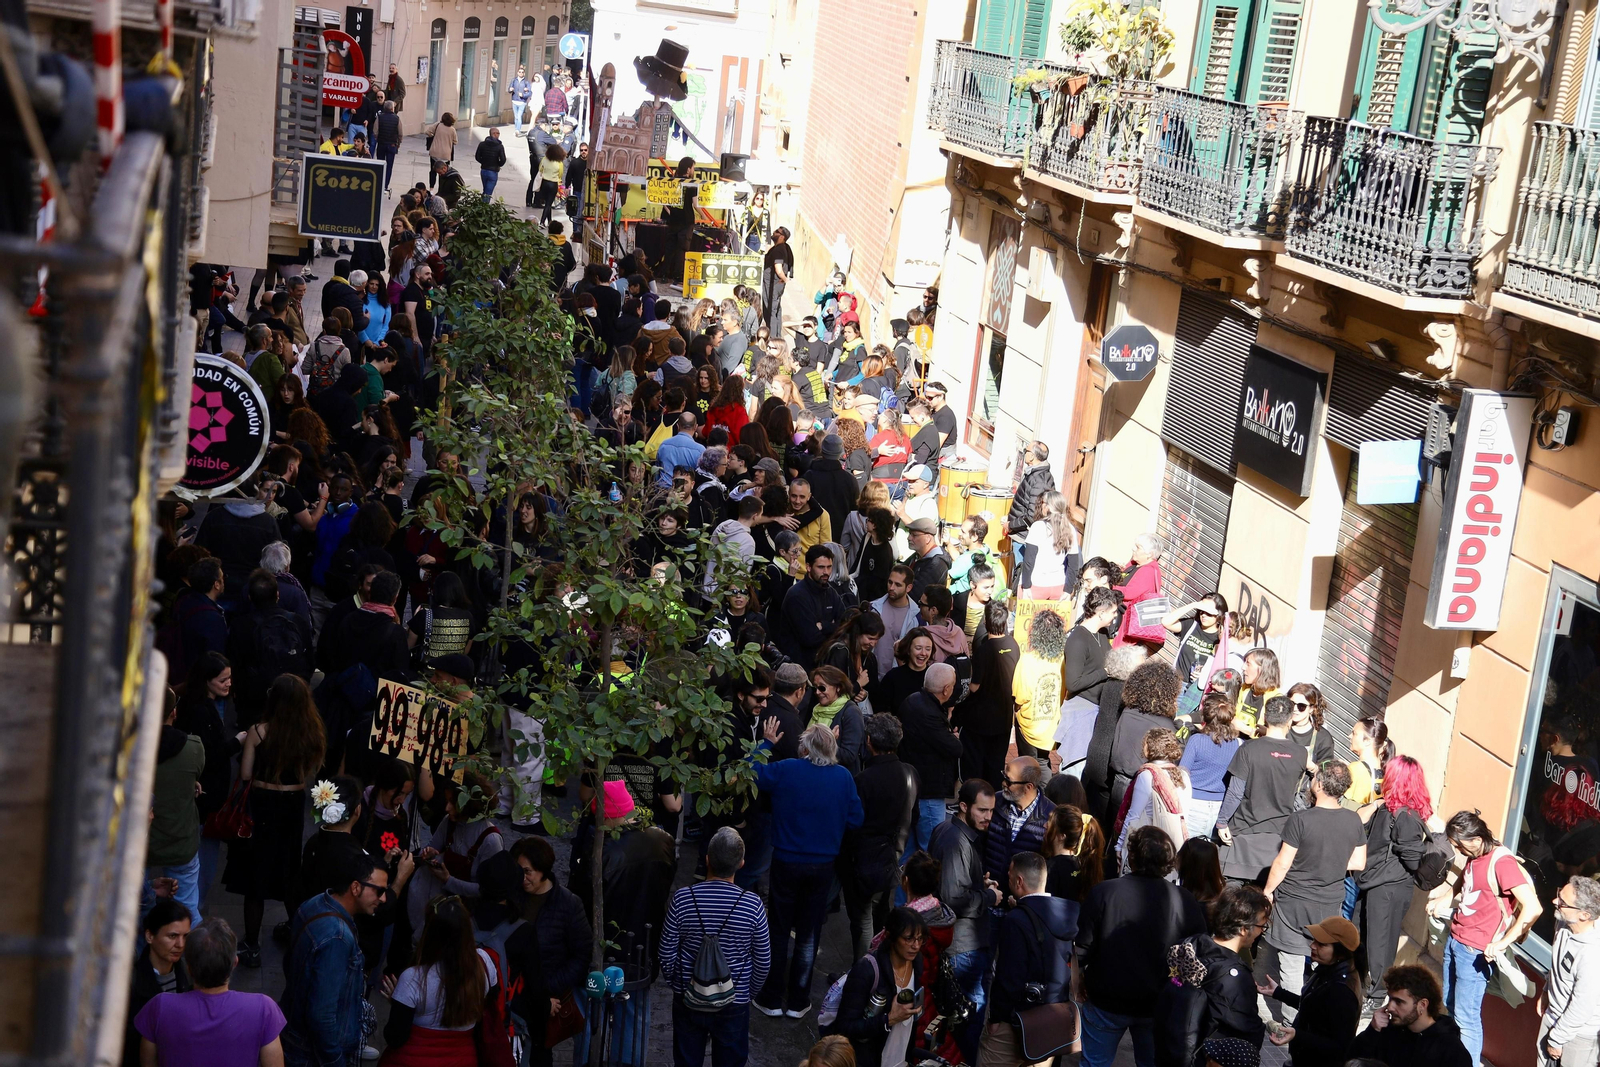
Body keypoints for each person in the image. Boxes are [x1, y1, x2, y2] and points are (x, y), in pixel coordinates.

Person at [752, 721, 864, 1017]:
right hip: (823, 864)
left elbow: (750, 771)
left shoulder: (787, 768)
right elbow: (856, 819)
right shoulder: (843, 777)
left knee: (777, 927)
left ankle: (772, 996)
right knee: (808, 931)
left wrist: (765, 743)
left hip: (787, 860)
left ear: (804, 747)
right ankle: (799, 999)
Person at [1076, 826, 1208, 1067]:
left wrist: (1079, 979)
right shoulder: (1185, 900)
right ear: (1168, 862)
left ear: (1132, 856)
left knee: (1094, 1063)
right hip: (1158, 1004)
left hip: (1106, 1000)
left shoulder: (1104, 892)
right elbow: (1197, 955)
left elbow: (1082, 948)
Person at [224, 675, 325, 968]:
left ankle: (252, 945)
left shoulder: (258, 731)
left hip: (262, 804)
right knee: (289, 869)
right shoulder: (311, 733)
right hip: (292, 805)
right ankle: (299, 933)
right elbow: (309, 772)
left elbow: (244, 775)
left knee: (255, 876)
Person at [1430, 810, 1543, 1067]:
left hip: (1475, 951)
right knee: (1450, 1004)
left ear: (1477, 839)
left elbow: (1533, 907)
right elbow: (1467, 876)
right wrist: (1446, 897)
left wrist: (1503, 942)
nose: (1458, 850)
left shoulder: (1501, 863)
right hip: (1456, 939)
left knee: (1466, 1018)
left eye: (1460, 845)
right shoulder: (1476, 854)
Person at [1256, 763, 1367, 1017]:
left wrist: (1268, 891)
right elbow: (1359, 862)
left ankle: (1291, 1022)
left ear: (1318, 785)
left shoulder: (1300, 819)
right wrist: (1333, 864)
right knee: (1322, 961)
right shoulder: (1353, 820)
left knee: (1292, 965)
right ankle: (1313, 1013)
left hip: (1293, 902)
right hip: (1330, 903)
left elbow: (1283, 861)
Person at [660, 827, 772, 1067]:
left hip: (688, 997)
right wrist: (745, 993)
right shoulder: (753, 906)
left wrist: (678, 984)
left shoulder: (682, 899)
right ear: (741, 864)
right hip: (735, 1001)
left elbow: (666, 953)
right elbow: (763, 962)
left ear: (707, 859)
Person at [280, 850, 389, 1066]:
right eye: (379, 891)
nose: (384, 899)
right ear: (356, 887)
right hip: (310, 1054)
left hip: (294, 1034)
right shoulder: (337, 938)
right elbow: (322, 1016)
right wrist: (335, 1060)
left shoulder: (316, 902)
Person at [133, 917, 286, 1067]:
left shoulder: (159, 1007)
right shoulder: (263, 1009)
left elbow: (147, 1061)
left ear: (189, 968)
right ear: (234, 963)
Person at [977, 851, 1078, 1067]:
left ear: (1019, 881)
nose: (1007, 877)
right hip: (1051, 1022)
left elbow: (1009, 978)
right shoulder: (1067, 914)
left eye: (1010, 874)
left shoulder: (1016, 921)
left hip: (1014, 1022)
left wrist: (996, 1019)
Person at [1155, 883, 1270, 1067]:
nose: (1261, 932)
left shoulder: (1188, 945)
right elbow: (1245, 1029)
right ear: (1242, 928)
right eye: (1261, 926)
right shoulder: (1235, 977)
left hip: (1169, 1048)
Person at [381, 894, 503, 1066]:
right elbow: (490, 1006)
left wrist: (398, 1003)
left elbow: (395, 1038)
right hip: (463, 1059)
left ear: (430, 933)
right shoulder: (484, 964)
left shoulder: (413, 978)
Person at [928, 779, 1001, 1064]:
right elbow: (954, 898)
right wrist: (989, 897)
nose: (988, 817)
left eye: (992, 811)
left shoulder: (951, 832)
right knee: (966, 1022)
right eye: (982, 810)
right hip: (963, 948)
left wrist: (979, 885)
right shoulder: (956, 841)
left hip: (963, 944)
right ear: (963, 807)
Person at [1355, 754, 1432, 1011]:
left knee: (1380, 942)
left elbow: (1411, 858)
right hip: (1377, 882)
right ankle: (1368, 988)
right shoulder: (1391, 808)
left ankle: (1376, 997)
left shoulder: (1405, 816)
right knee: (1367, 936)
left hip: (1389, 887)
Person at [510, 835, 592, 1067]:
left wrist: (549, 989)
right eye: (519, 871)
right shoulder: (513, 897)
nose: (523, 878)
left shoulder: (568, 904)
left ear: (543, 869)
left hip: (547, 999)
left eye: (528, 871)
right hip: (515, 996)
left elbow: (581, 955)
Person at [843, 714, 918, 960]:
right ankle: (882, 969)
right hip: (893, 856)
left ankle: (863, 973)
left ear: (868, 742)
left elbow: (852, 824)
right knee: (882, 916)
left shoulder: (863, 780)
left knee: (863, 920)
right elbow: (913, 815)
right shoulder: (909, 773)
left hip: (864, 860)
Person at [827, 906, 930, 1067]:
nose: (916, 946)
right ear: (891, 937)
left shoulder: (917, 962)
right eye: (908, 939)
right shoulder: (866, 971)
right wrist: (888, 1019)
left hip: (899, 1059)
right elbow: (844, 1028)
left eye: (920, 939)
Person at [1217, 697, 1304, 884]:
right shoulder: (1301, 754)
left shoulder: (1249, 749)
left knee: (1230, 895)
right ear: (1290, 721)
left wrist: (1222, 822)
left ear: (1265, 717)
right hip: (1278, 838)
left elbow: (1235, 792)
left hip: (1243, 834)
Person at [1257, 916, 1364, 1067]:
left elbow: (1339, 1046)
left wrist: (1297, 1035)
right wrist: (1279, 993)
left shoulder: (1342, 991)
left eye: (1321, 944)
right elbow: (1315, 1007)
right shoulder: (1328, 970)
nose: (1313, 946)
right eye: (1314, 941)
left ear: (1340, 952)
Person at [144, 690, 207, 924]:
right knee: (186, 909)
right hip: (180, 839)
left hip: (139, 844)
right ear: (174, 712)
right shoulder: (193, 748)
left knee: (137, 906)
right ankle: (190, 954)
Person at [1348, 965, 1472, 1067]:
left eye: (1399, 1002)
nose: (1390, 1007)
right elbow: (1351, 1060)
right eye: (1390, 999)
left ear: (1422, 1005)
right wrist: (1372, 1031)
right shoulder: (1389, 1030)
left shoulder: (1452, 1051)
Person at [897, 663, 963, 856]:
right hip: (928, 791)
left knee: (908, 851)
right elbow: (955, 748)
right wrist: (951, 736)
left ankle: (905, 886)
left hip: (915, 785)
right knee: (932, 850)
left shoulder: (913, 701)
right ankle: (927, 886)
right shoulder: (929, 713)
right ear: (946, 689)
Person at [1539, 875, 1600, 1067]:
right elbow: (1557, 965)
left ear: (1584, 915)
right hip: (1553, 1016)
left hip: (1578, 1035)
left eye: (1563, 902)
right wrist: (1546, 990)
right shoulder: (1564, 923)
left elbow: (1582, 1007)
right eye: (1559, 894)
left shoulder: (1592, 955)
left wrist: (1557, 1038)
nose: (1555, 901)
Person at [123, 899, 193, 1067]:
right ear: (149, 936)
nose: (180, 945)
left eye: (185, 936)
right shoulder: (131, 983)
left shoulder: (189, 974)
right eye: (172, 936)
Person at [957, 600, 1018, 789]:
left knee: (975, 764)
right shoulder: (1014, 644)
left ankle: (973, 800)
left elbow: (974, 687)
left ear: (985, 622)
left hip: (980, 721)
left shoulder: (984, 650)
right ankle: (994, 801)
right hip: (1004, 718)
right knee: (996, 764)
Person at [1113, 728, 1190, 871]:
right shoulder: (1183, 775)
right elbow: (1185, 815)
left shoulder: (1147, 775)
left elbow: (1133, 815)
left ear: (1149, 748)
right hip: (1173, 846)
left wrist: (1120, 844)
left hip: (1147, 846)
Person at [1179, 693, 1242, 841]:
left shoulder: (1196, 740)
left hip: (1193, 805)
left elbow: (1183, 774)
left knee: (1187, 853)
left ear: (1205, 716)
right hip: (1222, 808)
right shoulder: (1239, 745)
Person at [986, 756, 1055, 884]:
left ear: (1028, 787)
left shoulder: (1051, 817)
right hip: (990, 890)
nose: (1003, 783)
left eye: (1009, 781)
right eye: (1004, 776)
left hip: (1022, 898)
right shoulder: (994, 803)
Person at [1012, 606, 1068, 763]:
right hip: (1051, 725)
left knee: (1030, 764)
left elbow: (1019, 696)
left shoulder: (1027, 660)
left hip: (1029, 725)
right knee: (1043, 760)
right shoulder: (1063, 659)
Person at [777, 545, 847, 667]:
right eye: (821, 567)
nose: (826, 572)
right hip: (800, 667)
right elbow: (810, 638)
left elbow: (846, 624)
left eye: (829, 567)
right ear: (808, 567)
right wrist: (834, 627)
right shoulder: (796, 595)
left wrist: (824, 625)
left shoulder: (830, 592)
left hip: (825, 665)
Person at [1016, 490, 1079, 600]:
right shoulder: (1070, 529)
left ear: (1048, 507)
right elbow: (1074, 564)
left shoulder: (1038, 527)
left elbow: (1029, 561)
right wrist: (1068, 589)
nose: (1042, 506)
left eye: (1044, 503)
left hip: (1036, 584)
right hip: (1059, 585)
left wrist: (1026, 587)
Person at [902, 517, 950, 602]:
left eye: (914, 535)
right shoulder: (918, 555)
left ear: (928, 538)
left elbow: (916, 594)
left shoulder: (937, 564)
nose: (909, 538)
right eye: (909, 534)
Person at [762, 227, 792, 337]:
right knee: (776, 310)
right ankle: (777, 335)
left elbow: (778, 269)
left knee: (771, 311)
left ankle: (773, 338)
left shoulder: (779, 250)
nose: (774, 233)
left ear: (782, 237)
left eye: (776, 232)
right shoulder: (780, 248)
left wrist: (784, 279)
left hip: (773, 285)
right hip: (775, 284)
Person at [424, 113, 457, 187]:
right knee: (444, 172)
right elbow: (455, 141)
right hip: (446, 154)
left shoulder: (438, 125)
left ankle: (431, 188)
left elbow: (427, 132)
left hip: (435, 152)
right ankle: (441, 189)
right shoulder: (452, 129)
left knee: (433, 171)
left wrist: (434, 136)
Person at [475, 126, 507, 198]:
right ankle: (484, 207)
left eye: (498, 133)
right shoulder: (499, 146)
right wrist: (498, 164)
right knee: (488, 193)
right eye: (496, 133)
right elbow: (503, 159)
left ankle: (481, 205)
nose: (497, 135)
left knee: (485, 190)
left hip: (484, 170)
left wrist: (483, 162)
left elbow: (477, 157)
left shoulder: (482, 144)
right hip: (493, 171)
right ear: (493, 134)